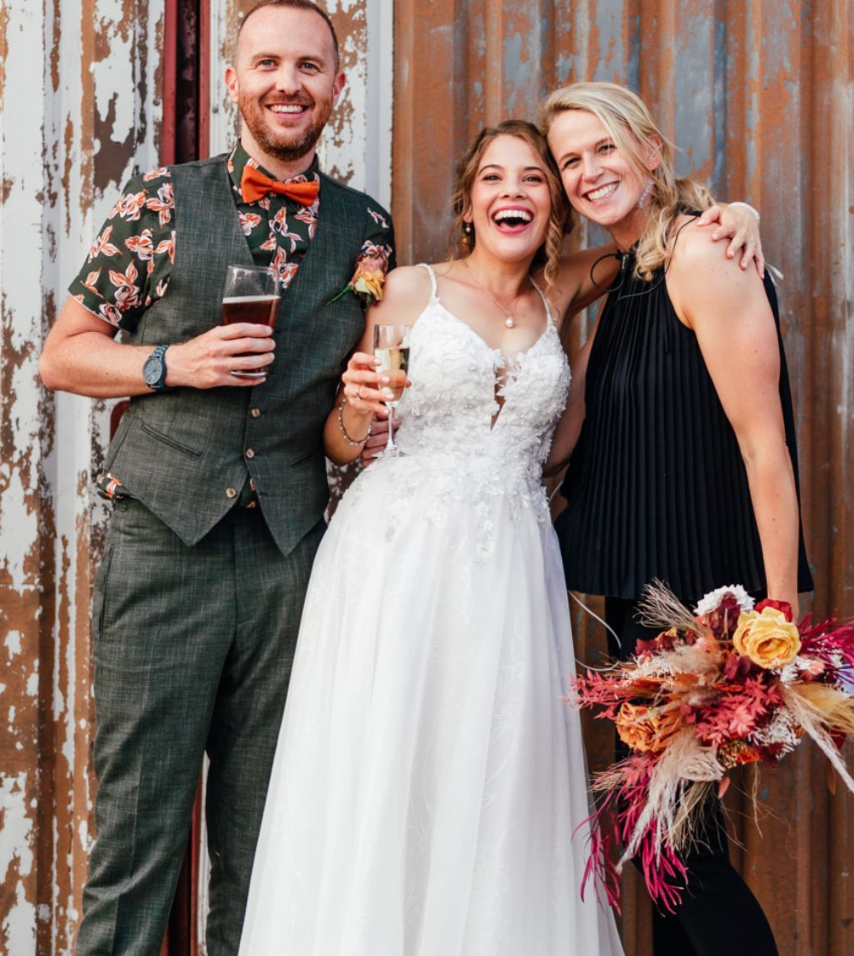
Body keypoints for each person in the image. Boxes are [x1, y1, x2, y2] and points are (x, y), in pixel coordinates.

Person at [237, 118, 758, 954]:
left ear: (553, 207)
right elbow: (342, 442)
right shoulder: (407, 290)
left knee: (498, 774)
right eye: (492, 178)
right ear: (469, 205)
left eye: (532, 178)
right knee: (392, 759)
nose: (512, 190)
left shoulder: (569, 289)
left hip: (513, 561)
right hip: (396, 553)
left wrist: (735, 214)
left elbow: (663, 234)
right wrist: (355, 410)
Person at [39, 0, 394, 956]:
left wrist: (360, 415)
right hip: (165, 551)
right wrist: (168, 363)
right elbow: (61, 356)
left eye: (309, 68)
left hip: (290, 559)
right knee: (138, 837)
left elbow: (336, 425)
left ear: (336, 87)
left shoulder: (370, 233)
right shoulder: (163, 203)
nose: (289, 84)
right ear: (235, 82)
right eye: (269, 65)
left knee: (265, 842)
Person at [543, 81, 814, 956]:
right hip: (641, 597)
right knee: (666, 851)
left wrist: (778, 623)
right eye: (570, 160)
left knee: (679, 853)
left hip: (705, 604)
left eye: (605, 149)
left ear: (651, 151)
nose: (588, 172)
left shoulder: (700, 257)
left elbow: (764, 446)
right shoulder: (626, 277)